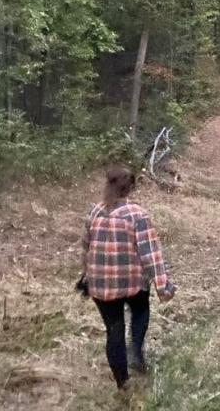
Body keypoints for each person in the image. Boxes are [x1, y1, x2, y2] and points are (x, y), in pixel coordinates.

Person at [81, 164, 176, 389]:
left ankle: (122, 383)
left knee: (113, 330)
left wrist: (85, 276)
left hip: (100, 285)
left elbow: (85, 247)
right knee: (141, 310)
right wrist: (163, 286)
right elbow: (151, 254)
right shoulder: (137, 215)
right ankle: (135, 350)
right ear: (131, 187)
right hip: (133, 283)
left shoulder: (94, 212)